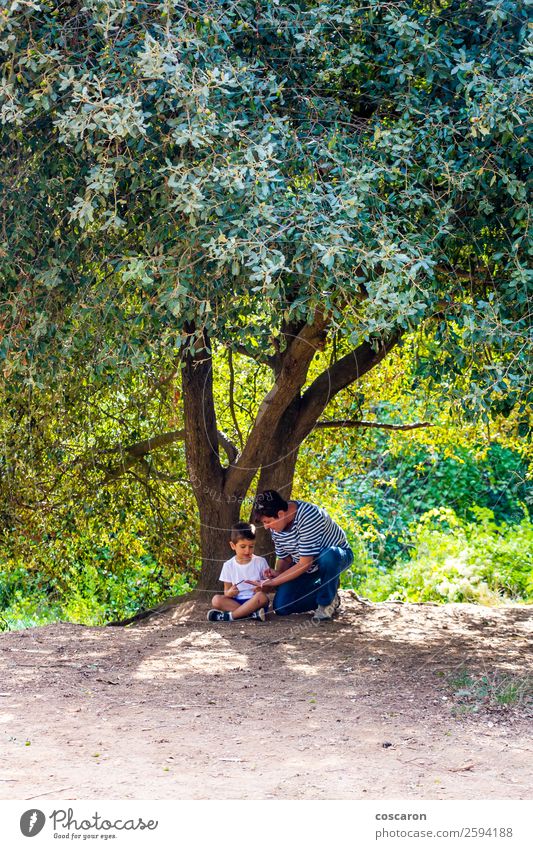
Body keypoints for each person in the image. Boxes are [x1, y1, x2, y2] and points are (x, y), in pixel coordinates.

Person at [249, 490, 354, 623]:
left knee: (329, 555)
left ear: (280, 514)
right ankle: (331, 594)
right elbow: (285, 558)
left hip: (334, 557)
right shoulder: (276, 528)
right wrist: (277, 574)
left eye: (267, 522)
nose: (266, 527)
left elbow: (305, 563)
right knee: (281, 607)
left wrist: (274, 582)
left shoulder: (308, 516)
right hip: (306, 565)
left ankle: (326, 603)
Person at [207, 521, 270, 622]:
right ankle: (252, 614)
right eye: (243, 546)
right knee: (216, 600)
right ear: (233, 545)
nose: (247, 551)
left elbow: (268, 587)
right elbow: (226, 591)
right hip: (236, 602)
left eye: (251, 546)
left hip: (255, 601)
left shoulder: (260, 562)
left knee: (262, 597)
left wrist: (261, 588)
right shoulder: (228, 565)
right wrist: (230, 593)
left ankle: (230, 616)